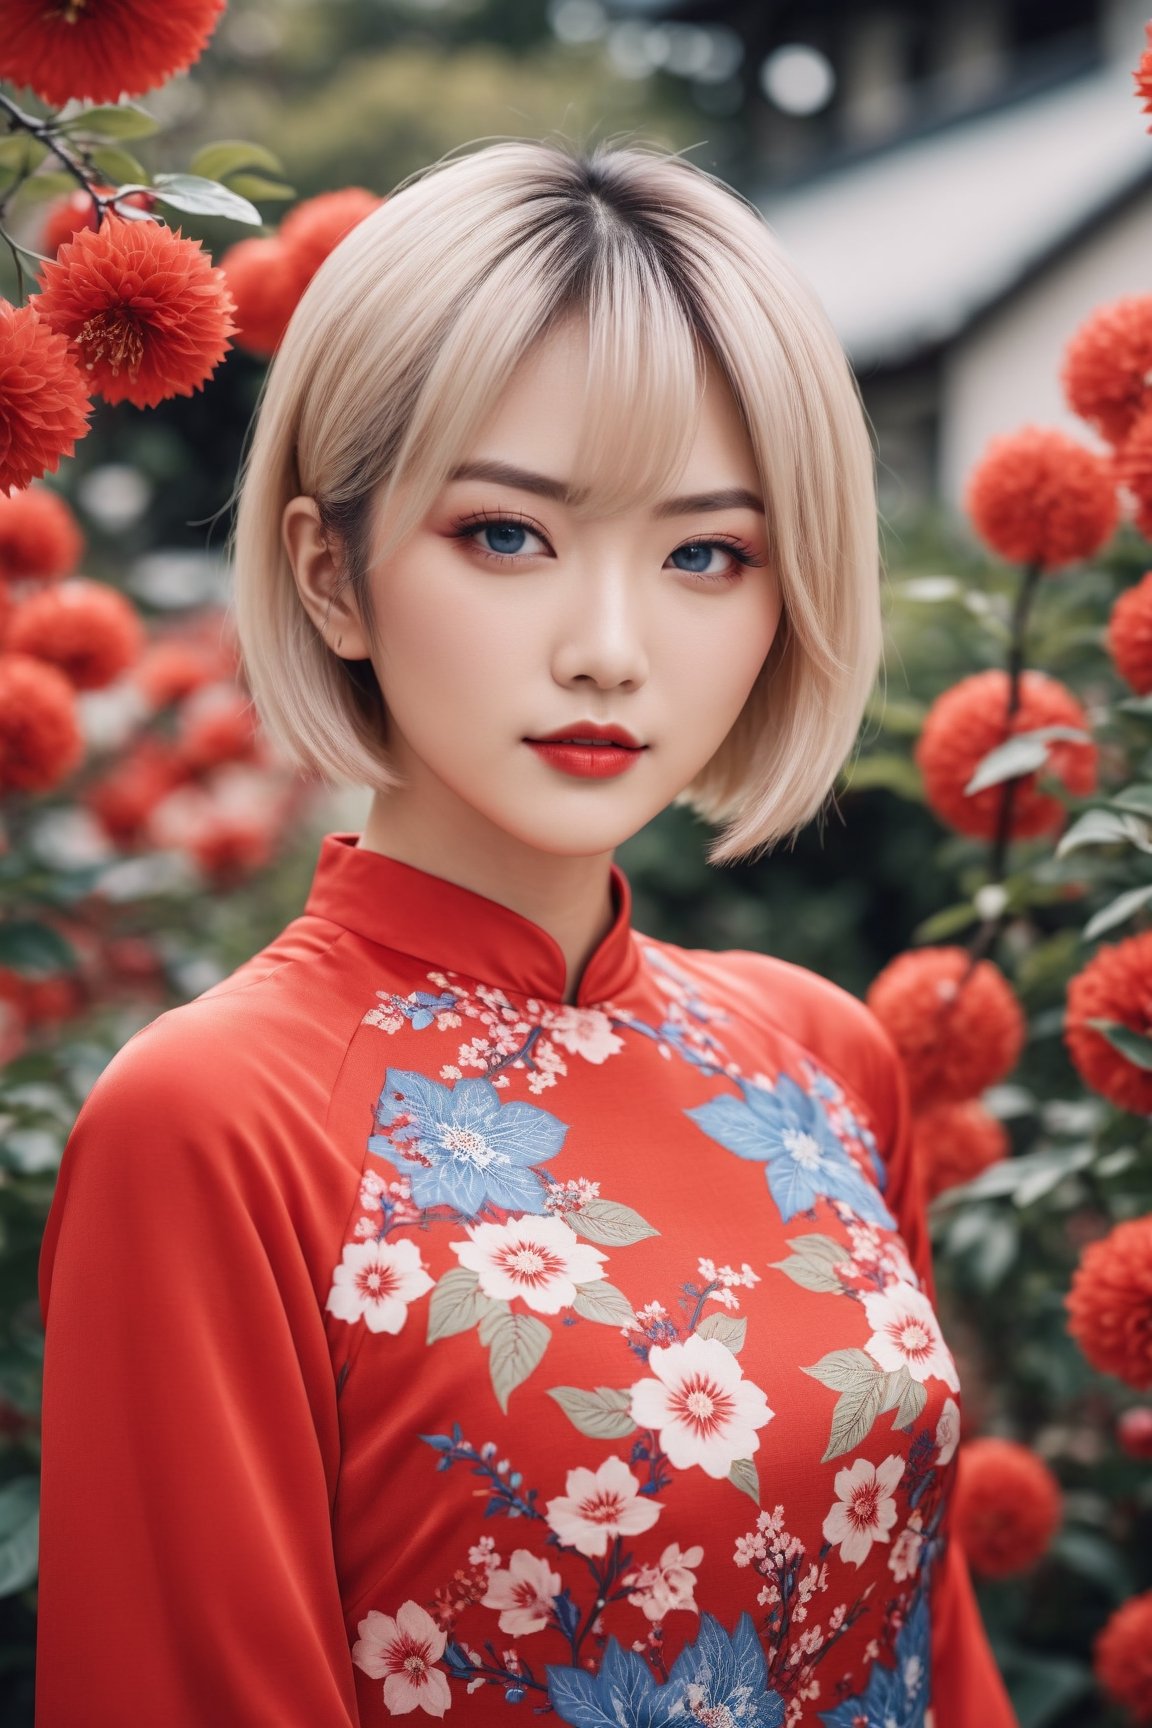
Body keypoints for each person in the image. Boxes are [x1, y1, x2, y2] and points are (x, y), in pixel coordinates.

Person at [36, 139, 1018, 1727]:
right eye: (508, 534)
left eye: (707, 553)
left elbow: (931, 1651)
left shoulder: (822, 1060)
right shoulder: (219, 1125)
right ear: (330, 573)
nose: (612, 650)